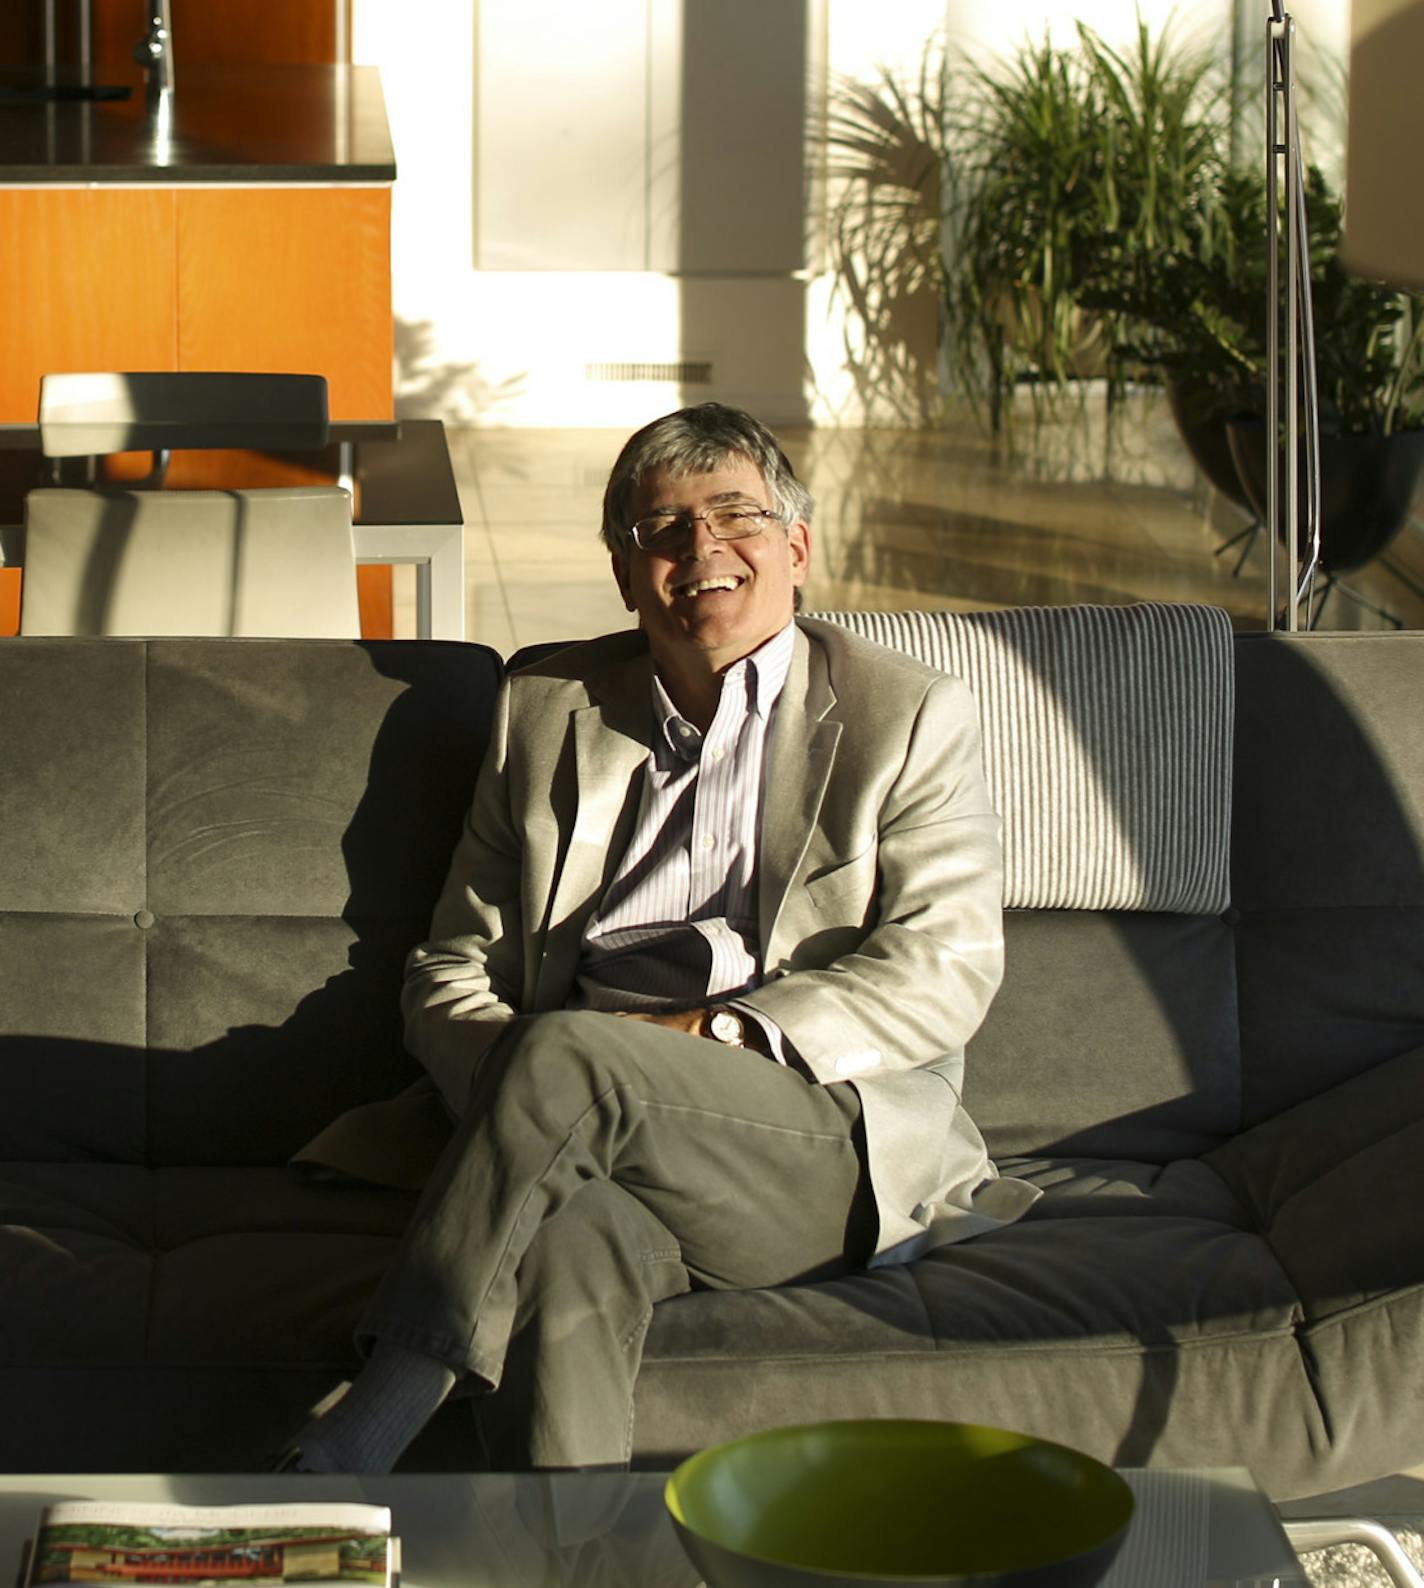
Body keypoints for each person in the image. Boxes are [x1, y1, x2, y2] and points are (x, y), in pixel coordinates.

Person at [280, 402, 1035, 1473]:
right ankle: (556, 1554)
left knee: (568, 1055)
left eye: (737, 516)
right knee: (568, 1252)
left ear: (796, 547)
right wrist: (522, 1088)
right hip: (573, 1122)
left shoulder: (903, 716)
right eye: (663, 529)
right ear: (627, 573)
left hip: (800, 1138)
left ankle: (367, 1424)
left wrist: (705, 1035)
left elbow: (942, 968)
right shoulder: (543, 708)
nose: (702, 548)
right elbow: (450, 968)